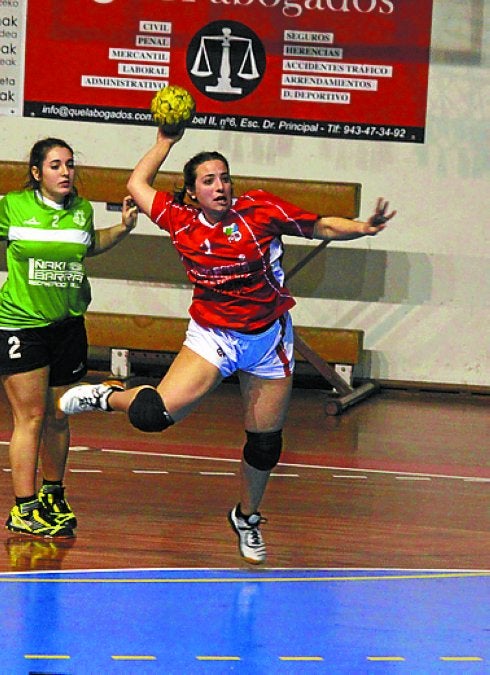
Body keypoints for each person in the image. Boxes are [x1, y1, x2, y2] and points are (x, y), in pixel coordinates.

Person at [59, 127, 395, 563]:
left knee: (265, 445)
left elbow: (319, 225)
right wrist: (166, 142)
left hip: (267, 338)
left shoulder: (259, 210)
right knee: (152, 415)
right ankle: (107, 396)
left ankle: (247, 517)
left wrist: (362, 228)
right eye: (209, 180)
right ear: (193, 193)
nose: (220, 186)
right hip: (214, 338)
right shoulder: (179, 220)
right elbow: (137, 183)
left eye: (225, 177)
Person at [0, 137, 138, 538]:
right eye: (56, 165)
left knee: (60, 414)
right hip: (22, 325)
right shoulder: (13, 206)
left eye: (69, 164)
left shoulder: (81, 210)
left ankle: (52, 494)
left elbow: (90, 245)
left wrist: (124, 228)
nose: (65, 172)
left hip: (68, 326)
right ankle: (24, 508)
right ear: (36, 172)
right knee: (30, 417)